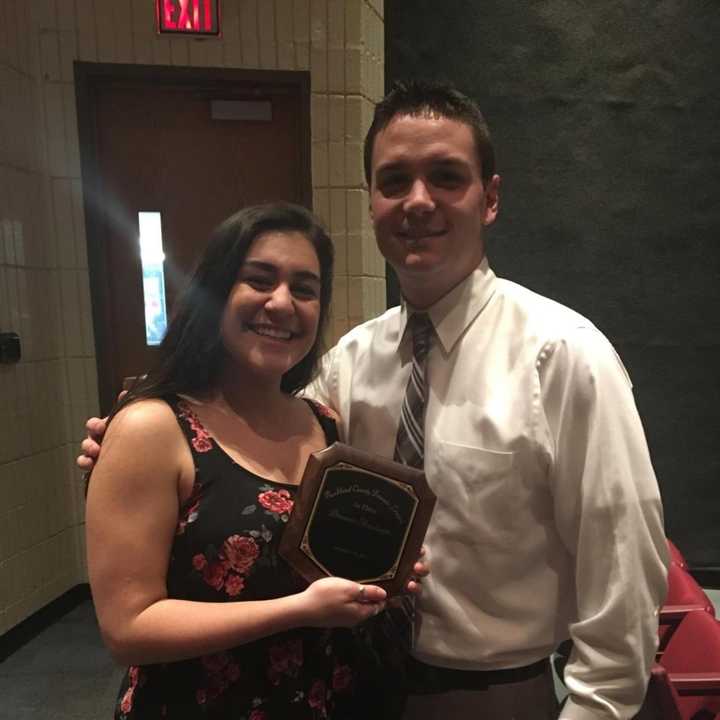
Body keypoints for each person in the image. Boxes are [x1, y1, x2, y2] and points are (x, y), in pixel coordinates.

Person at [80, 81, 669, 719]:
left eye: (446, 176)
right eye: (394, 181)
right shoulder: (346, 368)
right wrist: (128, 447)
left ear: (490, 198)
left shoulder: (565, 357)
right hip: (347, 687)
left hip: (495, 696)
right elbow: (245, 458)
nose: (418, 201)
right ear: (372, 203)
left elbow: (624, 569)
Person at [83, 202, 425, 720]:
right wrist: (298, 612)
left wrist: (387, 570)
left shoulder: (324, 424)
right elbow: (128, 628)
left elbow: (333, 561)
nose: (282, 303)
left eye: (305, 288)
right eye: (259, 280)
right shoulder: (153, 427)